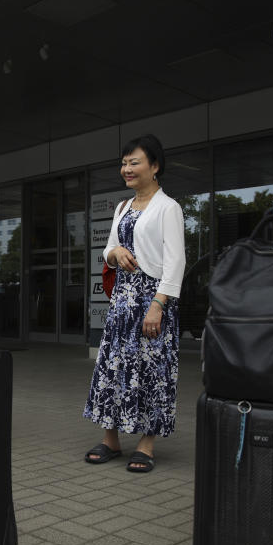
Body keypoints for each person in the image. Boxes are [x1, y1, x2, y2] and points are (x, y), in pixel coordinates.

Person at [83, 135, 185, 472]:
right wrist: (115, 253)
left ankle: (146, 442)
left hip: (152, 300)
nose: (127, 169)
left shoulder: (168, 208)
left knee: (152, 371)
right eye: (124, 163)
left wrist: (158, 305)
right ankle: (110, 437)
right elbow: (108, 249)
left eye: (134, 162)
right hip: (122, 303)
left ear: (155, 167)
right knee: (114, 368)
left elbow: (176, 264)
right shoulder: (123, 207)